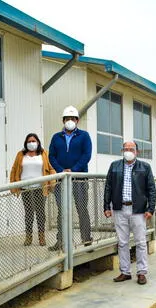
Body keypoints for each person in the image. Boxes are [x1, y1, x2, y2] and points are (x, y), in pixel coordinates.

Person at [104, 141, 156, 285]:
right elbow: (108, 186)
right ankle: (125, 272)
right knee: (122, 242)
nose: (128, 151)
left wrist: (150, 208)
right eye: (125, 149)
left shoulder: (145, 167)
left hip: (138, 210)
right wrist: (106, 206)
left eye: (131, 149)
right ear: (122, 151)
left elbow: (151, 189)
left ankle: (141, 272)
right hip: (120, 209)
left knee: (140, 242)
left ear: (136, 152)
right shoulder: (115, 166)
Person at [48, 105, 93, 251]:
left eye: (72, 118)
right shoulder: (56, 137)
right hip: (62, 180)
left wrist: (73, 170)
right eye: (67, 118)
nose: (70, 121)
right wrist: (62, 171)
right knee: (62, 210)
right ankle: (60, 241)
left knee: (81, 208)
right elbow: (51, 156)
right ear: (63, 120)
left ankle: (86, 239)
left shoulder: (84, 136)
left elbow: (86, 155)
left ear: (77, 120)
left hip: (78, 179)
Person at [10, 133, 56, 246]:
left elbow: (51, 168)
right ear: (26, 143)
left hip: (40, 188)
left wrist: (52, 182)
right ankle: (28, 237)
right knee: (29, 213)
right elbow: (14, 169)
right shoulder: (21, 155)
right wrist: (13, 185)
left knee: (40, 213)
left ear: (38, 142)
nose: (31, 143)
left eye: (33, 141)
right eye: (29, 141)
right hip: (25, 189)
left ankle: (41, 237)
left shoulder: (44, 153)